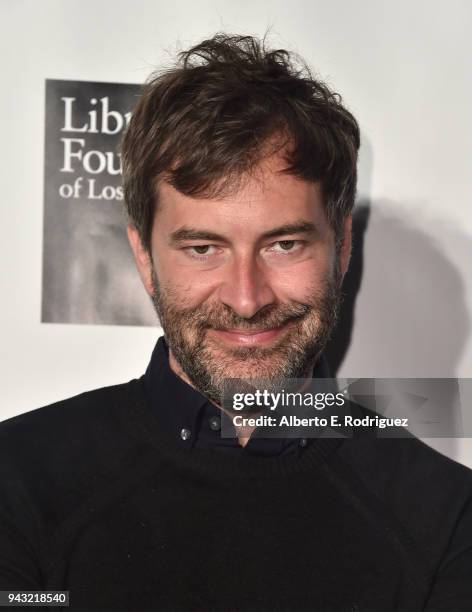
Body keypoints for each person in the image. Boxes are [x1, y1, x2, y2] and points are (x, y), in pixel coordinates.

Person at [1, 33, 471, 611]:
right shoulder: (17, 482)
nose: (246, 299)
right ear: (144, 257)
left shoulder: (447, 518)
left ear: (342, 246)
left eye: (285, 244)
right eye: (203, 248)